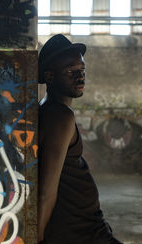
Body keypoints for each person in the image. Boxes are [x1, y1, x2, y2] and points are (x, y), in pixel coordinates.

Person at [37, 34, 123, 244]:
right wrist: (36, 237)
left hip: (84, 226)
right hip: (78, 231)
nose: (80, 77)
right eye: (71, 71)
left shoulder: (48, 109)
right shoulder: (60, 116)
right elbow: (47, 190)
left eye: (82, 70)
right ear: (49, 76)